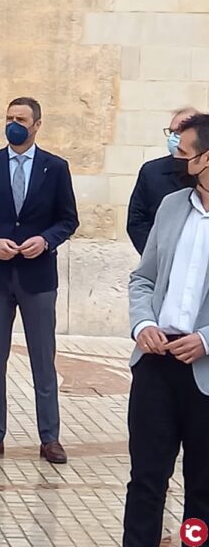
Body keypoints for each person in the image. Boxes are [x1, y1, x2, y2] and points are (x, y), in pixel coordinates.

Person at [0, 97, 78, 465]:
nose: (14, 124)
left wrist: (45, 240)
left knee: (43, 359)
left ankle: (50, 437)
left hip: (38, 277)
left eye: (21, 119)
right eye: (9, 117)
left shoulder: (55, 168)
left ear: (37, 125)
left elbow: (68, 219)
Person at [123, 112, 209, 547]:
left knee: (203, 492)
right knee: (146, 482)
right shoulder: (172, 206)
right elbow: (143, 279)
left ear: (207, 159)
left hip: (205, 373)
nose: (175, 156)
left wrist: (207, 339)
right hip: (155, 363)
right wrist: (143, 323)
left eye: (184, 151)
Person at [127, 106, 200, 255]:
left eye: (179, 131)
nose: (174, 137)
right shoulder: (152, 171)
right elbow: (137, 220)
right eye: (172, 131)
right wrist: (155, 256)